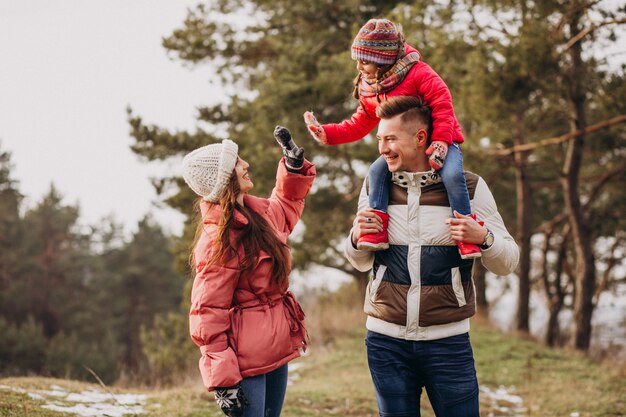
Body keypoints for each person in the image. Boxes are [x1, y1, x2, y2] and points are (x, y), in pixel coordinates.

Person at [343, 96, 519, 417]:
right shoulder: (375, 185)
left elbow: (507, 263)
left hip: (448, 344)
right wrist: (355, 239)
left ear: (421, 138)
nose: (382, 148)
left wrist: (485, 239)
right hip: (386, 343)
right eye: (380, 139)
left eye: (391, 139)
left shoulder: (469, 188)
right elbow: (361, 261)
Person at [304, 18, 481, 259]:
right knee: (376, 173)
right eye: (357, 60)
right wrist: (328, 133)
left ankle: (465, 233)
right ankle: (376, 230)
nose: (359, 67)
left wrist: (440, 141)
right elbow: (360, 122)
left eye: (364, 61)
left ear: (382, 60)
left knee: (452, 175)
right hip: (404, 150)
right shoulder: (371, 87)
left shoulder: (419, 73)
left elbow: (443, 106)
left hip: (442, 140)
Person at [181, 127, 315, 417]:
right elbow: (207, 312)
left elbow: (286, 205)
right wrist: (222, 380)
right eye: (238, 162)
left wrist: (292, 166)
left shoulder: (258, 215)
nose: (246, 165)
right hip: (245, 361)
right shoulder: (218, 238)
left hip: (276, 348)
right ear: (225, 178)